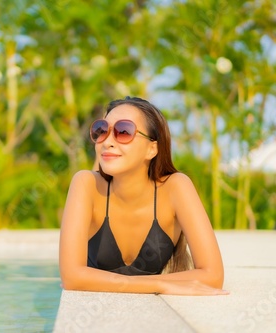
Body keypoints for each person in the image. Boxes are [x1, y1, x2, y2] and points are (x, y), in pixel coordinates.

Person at [59, 96, 228, 295]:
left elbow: (213, 276)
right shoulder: (86, 184)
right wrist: (159, 285)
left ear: (152, 148)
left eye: (123, 131)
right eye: (101, 130)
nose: (108, 142)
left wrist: (129, 284)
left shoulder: (176, 187)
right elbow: (71, 277)